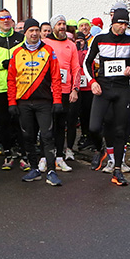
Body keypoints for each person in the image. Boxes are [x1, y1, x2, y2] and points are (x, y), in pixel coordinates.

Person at [83, 8, 130, 185]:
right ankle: (100, 150)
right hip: (104, 88)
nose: (123, 27)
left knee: (120, 129)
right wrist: (92, 81)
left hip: (123, 89)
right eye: (120, 23)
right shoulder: (100, 39)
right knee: (93, 126)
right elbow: (87, 61)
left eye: (125, 24)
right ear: (113, 23)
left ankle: (117, 169)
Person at [9, 18, 64, 186]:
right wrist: (11, 102)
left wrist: (58, 100)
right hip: (23, 102)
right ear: (24, 33)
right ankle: (34, 169)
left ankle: (51, 171)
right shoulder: (17, 52)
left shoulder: (48, 50)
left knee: (47, 136)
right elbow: (11, 79)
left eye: (36, 30)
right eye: (30, 30)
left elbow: (56, 77)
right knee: (27, 136)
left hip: (44, 102)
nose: (34, 33)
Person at [0, 9, 25, 169]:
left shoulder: (20, 38)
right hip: (0, 87)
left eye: (8, 18)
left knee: (21, 122)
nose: (6, 21)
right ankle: (8, 153)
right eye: (2, 18)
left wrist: (2, 64)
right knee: (4, 122)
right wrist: (4, 64)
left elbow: (23, 58)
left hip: (19, 86)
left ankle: (23, 154)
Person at [42, 14, 79, 171]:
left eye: (64, 24)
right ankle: (45, 157)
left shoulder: (71, 45)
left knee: (60, 125)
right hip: (47, 91)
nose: (62, 26)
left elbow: (76, 67)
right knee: (46, 126)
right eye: (59, 24)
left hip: (64, 91)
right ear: (53, 27)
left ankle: (59, 157)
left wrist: (75, 89)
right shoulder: (44, 43)